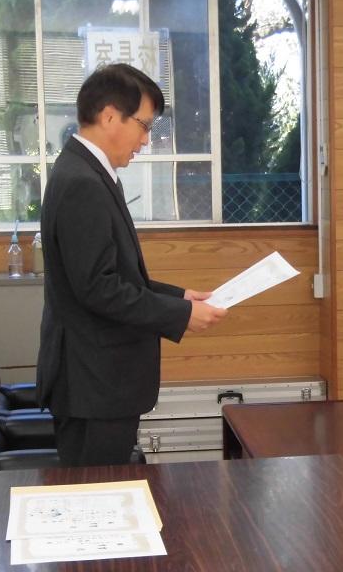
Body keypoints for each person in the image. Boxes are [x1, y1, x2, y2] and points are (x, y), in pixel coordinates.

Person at [36, 63, 227, 467]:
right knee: (97, 494)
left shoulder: (89, 172)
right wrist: (179, 315)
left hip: (99, 381)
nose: (146, 140)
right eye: (143, 126)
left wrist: (179, 297)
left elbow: (114, 275)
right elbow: (98, 289)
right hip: (92, 383)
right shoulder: (82, 183)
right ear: (109, 116)